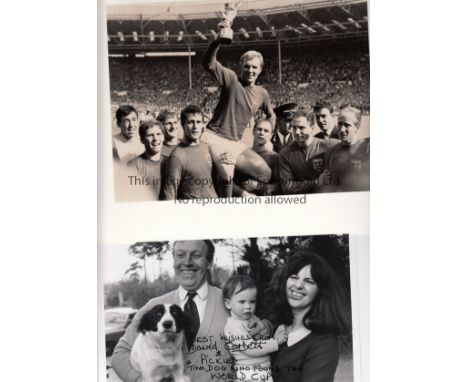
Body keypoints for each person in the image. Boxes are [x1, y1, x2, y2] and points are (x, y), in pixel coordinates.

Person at [111, 240, 272, 382]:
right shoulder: (153, 308)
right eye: (180, 255)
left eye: (196, 255)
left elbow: (258, 328)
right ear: (174, 262)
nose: (187, 262)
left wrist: (265, 326)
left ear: (209, 263)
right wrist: (140, 379)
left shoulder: (229, 301)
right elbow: (120, 354)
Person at [202, 26, 275, 197]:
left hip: (235, 143)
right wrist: (217, 41)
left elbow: (271, 115)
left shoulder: (262, 93)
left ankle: (240, 189)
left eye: (254, 67)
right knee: (226, 174)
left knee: (265, 174)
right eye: (247, 66)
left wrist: (269, 138)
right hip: (215, 138)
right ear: (241, 66)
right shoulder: (232, 80)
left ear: (260, 69)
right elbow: (209, 63)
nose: (251, 70)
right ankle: (238, 198)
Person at [269, 252, 351, 382]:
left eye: (309, 281)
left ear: (321, 291)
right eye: (294, 277)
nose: (298, 285)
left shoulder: (324, 342)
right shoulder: (274, 328)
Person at [223, 275, 288, 382]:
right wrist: (276, 342)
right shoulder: (233, 326)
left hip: (261, 371)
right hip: (249, 374)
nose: (248, 306)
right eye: (242, 302)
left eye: (252, 301)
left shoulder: (252, 319)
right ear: (228, 304)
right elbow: (251, 349)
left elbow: (262, 336)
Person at [162, 105, 218, 200]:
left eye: (198, 122)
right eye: (190, 122)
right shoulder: (177, 156)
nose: (195, 126)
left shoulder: (206, 147)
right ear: (183, 125)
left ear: (202, 125)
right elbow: (170, 191)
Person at [279, 111, 334, 195]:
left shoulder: (327, 146)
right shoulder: (285, 154)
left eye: (301, 128)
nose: (296, 132)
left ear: (312, 127)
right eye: (294, 127)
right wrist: (316, 182)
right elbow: (287, 188)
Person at [318, 106, 370, 192]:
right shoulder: (330, 152)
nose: (342, 129)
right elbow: (327, 183)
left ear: (357, 126)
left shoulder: (367, 150)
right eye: (340, 124)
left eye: (347, 125)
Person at [234, 119, 281, 196]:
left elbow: (280, 188)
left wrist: (258, 186)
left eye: (266, 131)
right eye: (259, 129)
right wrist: (241, 192)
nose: (262, 133)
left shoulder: (275, 158)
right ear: (253, 131)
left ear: (271, 135)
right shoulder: (243, 153)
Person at [126, 120, 165, 201]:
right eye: (150, 135)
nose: (155, 139)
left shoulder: (169, 161)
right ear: (142, 140)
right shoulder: (134, 165)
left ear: (163, 137)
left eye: (158, 134)